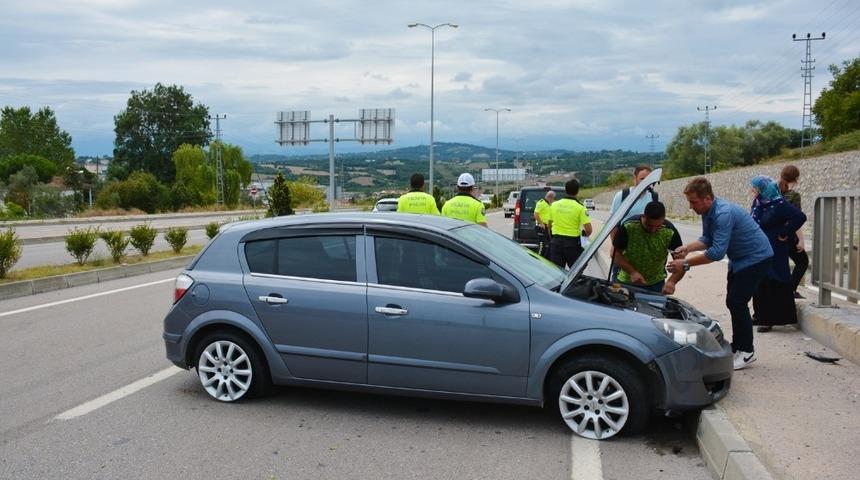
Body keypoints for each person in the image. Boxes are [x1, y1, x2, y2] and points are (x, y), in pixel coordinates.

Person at [667, 178, 773, 371]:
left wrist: (685, 263)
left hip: (757, 258)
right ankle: (738, 347)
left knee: (737, 301)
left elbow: (716, 253)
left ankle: (747, 352)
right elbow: (708, 238)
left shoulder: (723, 213)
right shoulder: (707, 211)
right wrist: (687, 248)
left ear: (707, 198)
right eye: (689, 202)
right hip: (740, 260)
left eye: (693, 202)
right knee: (733, 302)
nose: (691, 207)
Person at [748, 175, 807, 333]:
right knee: (759, 281)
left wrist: (784, 233)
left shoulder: (779, 204)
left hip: (775, 248)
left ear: (763, 188)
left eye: (755, 187)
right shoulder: (758, 202)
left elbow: (800, 217)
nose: (752, 190)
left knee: (771, 281)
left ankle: (768, 320)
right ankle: (759, 315)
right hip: (758, 248)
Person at [613, 201, 685, 294]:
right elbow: (615, 254)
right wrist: (632, 272)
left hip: (656, 284)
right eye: (649, 225)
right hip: (626, 281)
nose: (653, 230)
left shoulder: (670, 231)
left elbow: (682, 262)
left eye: (658, 226)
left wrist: (672, 281)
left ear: (663, 219)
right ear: (643, 216)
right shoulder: (629, 226)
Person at [779, 165, 808, 298]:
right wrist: (801, 240)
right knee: (803, 262)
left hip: (776, 234)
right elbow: (797, 220)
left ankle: (783, 291)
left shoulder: (775, 192)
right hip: (788, 235)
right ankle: (790, 291)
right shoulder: (794, 195)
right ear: (796, 179)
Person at [549, 178, 592, 269]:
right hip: (572, 245)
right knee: (575, 272)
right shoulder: (580, 208)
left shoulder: (554, 205)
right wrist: (583, 239)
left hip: (556, 243)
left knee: (556, 272)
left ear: (565, 190)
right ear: (577, 191)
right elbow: (588, 230)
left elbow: (549, 224)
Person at [534, 190, 555, 258]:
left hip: (547, 227)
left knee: (549, 245)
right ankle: (538, 259)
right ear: (550, 197)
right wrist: (541, 223)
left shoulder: (548, 204)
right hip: (541, 227)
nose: (553, 200)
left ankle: (546, 259)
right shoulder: (541, 203)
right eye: (553, 198)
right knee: (542, 245)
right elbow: (535, 214)